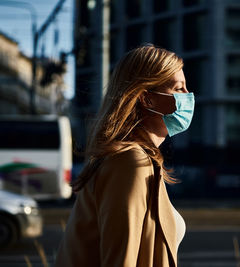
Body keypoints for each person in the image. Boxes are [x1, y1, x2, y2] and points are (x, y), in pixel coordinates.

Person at [55, 44, 194, 267]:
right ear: (146, 99)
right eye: (179, 89)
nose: (188, 96)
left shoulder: (138, 159)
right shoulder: (129, 162)